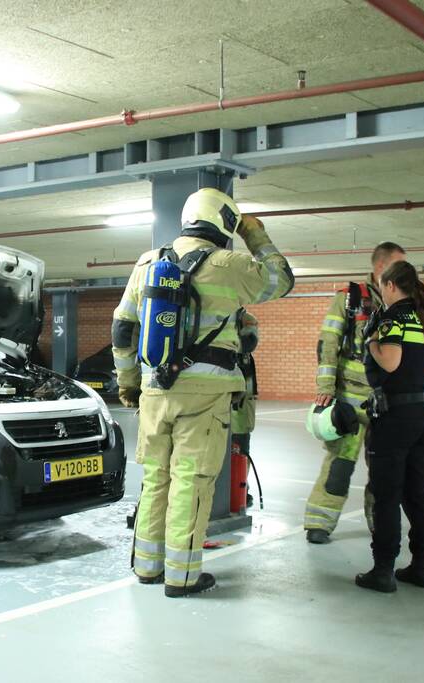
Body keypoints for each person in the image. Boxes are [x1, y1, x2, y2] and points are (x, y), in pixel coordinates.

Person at [112, 188, 293, 597]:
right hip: (205, 396)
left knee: (155, 479)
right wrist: (257, 236)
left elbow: (122, 329)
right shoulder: (231, 264)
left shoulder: (147, 263)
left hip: (155, 392)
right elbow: (282, 280)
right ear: (225, 223)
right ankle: (182, 576)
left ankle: (147, 567)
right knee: (190, 483)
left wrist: (128, 383)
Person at [304, 242, 406, 544]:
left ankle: (380, 523)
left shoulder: (402, 304)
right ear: (380, 268)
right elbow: (329, 342)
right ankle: (319, 522)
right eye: (398, 265)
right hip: (350, 398)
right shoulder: (350, 299)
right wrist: (325, 388)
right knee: (339, 465)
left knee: (384, 470)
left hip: (386, 402)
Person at [355, 260, 424, 593]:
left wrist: (369, 342)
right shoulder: (423, 316)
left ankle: (383, 570)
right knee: (417, 494)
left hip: (394, 418)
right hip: (421, 412)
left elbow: (390, 361)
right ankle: (422, 566)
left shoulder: (394, 318)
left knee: (387, 495)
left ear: (391, 285)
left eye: (380, 285)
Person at [232, 309, 258, 508]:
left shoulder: (246, 319)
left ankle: (239, 488)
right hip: (217, 394)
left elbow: (249, 342)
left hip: (241, 400)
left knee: (240, 446)